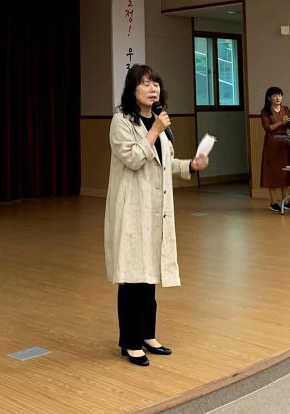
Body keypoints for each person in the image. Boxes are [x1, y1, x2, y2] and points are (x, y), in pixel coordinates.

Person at [104, 64, 210, 367]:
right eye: (146, 84)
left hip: (156, 210)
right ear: (132, 90)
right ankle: (130, 342)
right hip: (132, 209)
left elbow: (166, 164)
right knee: (132, 278)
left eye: (156, 84)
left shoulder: (160, 124)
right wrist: (154, 131)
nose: (153, 89)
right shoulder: (121, 122)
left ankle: (148, 335)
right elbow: (133, 158)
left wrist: (190, 165)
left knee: (149, 276)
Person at [260, 86, 290, 212]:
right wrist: (281, 122)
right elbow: (268, 128)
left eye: (280, 95)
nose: (278, 98)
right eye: (275, 95)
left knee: (285, 172)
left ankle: (286, 201)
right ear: (269, 98)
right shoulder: (265, 111)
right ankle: (274, 202)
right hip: (272, 144)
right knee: (272, 172)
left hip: (284, 144)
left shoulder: (286, 109)